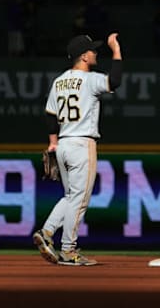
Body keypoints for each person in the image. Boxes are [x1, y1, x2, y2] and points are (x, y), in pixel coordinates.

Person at [32, 32, 123, 266]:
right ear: (84, 56)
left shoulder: (59, 80)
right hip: (82, 143)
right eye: (92, 50)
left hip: (62, 144)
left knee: (71, 196)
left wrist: (52, 142)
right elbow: (115, 80)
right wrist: (116, 51)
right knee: (79, 200)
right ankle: (69, 249)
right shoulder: (90, 79)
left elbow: (50, 115)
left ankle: (47, 232)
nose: (95, 53)